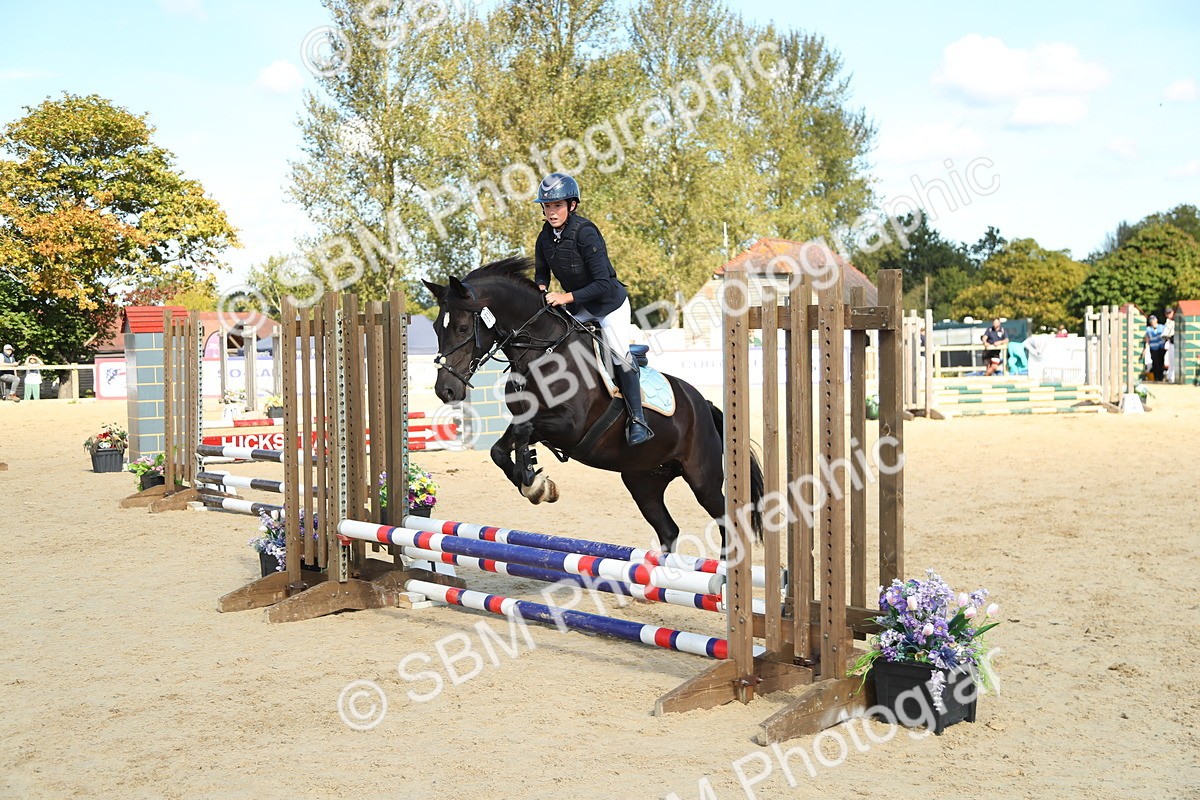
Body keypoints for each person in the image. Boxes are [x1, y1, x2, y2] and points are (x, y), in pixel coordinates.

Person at [532, 172, 653, 445]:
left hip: (609, 304)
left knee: (619, 355)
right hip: (582, 305)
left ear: (571, 206)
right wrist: (540, 289)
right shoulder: (544, 237)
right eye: (547, 206)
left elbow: (602, 284)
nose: (551, 212)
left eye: (557, 206)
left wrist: (564, 298)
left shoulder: (586, 232)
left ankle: (638, 420)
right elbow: (541, 273)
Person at [1144, 314, 1166, 381]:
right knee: (1155, 363)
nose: (1152, 322)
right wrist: (1145, 348)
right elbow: (1147, 339)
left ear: (1156, 320)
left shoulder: (1162, 327)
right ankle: (1156, 377)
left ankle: (1161, 377)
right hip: (1153, 348)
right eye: (1151, 320)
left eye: (1153, 320)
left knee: (1161, 362)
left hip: (1161, 347)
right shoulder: (1148, 329)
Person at [1163, 309, 1176, 382]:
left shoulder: (1175, 320)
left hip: (1176, 343)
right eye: (1167, 313)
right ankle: (1170, 377)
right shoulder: (1167, 322)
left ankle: (1173, 377)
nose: (1168, 314)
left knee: (1174, 361)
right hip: (1170, 343)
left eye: (1170, 313)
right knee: (1170, 361)